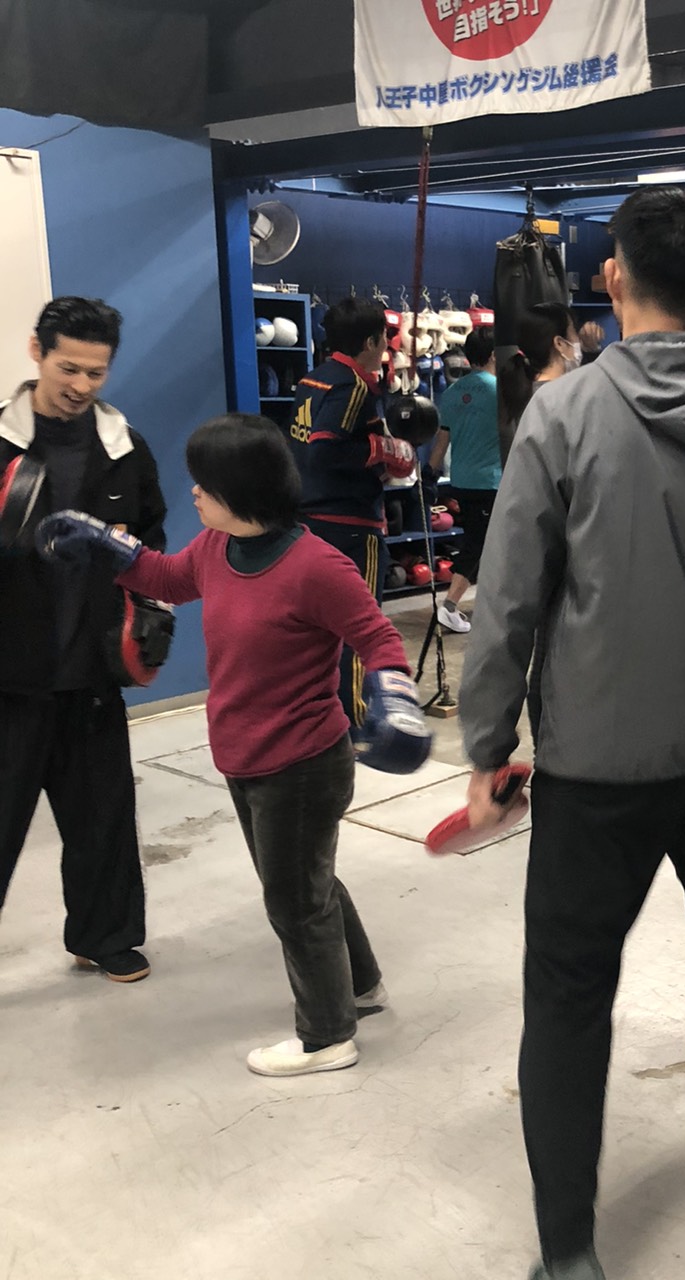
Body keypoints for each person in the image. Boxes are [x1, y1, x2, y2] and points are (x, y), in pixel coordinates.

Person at [458, 188, 685, 1280]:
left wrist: (487, 744)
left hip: (593, 768)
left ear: (612, 277)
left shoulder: (560, 414)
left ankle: (568, 1248)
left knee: (568, 995)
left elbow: (507, 597)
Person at [39, 414, 430, 1076]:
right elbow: (167, 579)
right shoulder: (217, 548)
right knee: (307, 882)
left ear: (241, 489)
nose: (193, 492)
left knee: (295, 900)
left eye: (204, 482)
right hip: (244, 753)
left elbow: (378, 636)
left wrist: (394, 695)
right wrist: (110, 549)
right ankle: (361, 988)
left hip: (302, 763)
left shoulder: (316, 567)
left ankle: (328, 1036)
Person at [0, 297, 166, 984]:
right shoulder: (2, 442)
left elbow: (152, 539)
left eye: (96, 373)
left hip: (92, 672)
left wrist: (145, 606)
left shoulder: (124, 448)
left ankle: (105, 936)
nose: (81, 385)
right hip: (9, 676)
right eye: (68, 368)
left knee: (102, 817)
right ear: (37, 351)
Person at [288, 296, 417, 726]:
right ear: (370, 342)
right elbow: (325, 450)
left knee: (320, 627)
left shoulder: (314, 379)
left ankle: (323, 715)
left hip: (310, 520)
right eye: (383, 338)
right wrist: (384, 450)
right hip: (351, 525)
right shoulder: (352, 386)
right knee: (360, 626)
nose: (387, 346)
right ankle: (355, 722)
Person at [426, 325, 500, 635]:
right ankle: (449, 606)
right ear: (494, 355)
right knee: (477, 545)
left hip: (462, 481)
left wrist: (428, 476)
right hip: (491, 483)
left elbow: (441, 441)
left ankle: (495, 603)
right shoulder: (501, 391)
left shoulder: (452, 392)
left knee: (487, 543)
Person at [496, 302, 579, 467]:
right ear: (560, 343)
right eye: (574, 333)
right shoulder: (561, 395)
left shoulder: (527, 388)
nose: (578, 340)